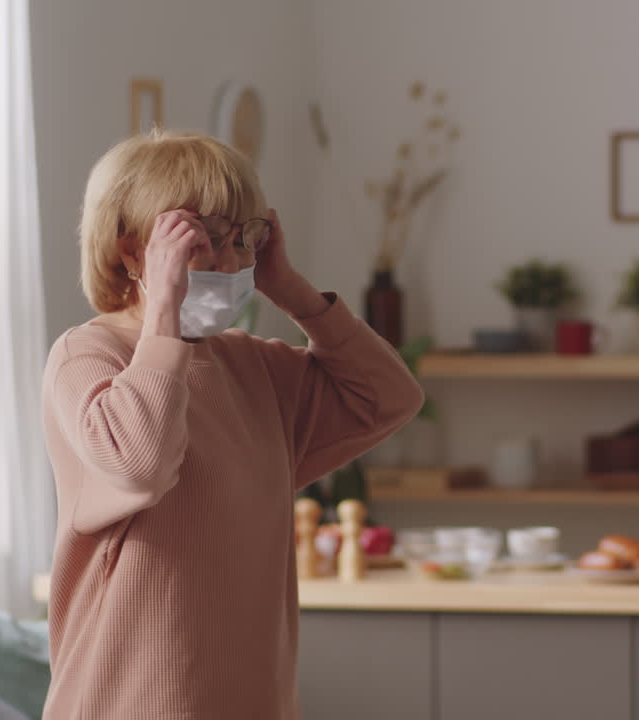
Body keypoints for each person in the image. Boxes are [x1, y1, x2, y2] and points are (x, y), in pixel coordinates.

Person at [41, 131, 423, 719]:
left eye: (245, 238)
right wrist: (164, 314)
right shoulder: (87, 356)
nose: (230, 262)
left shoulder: (251, 365)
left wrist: (291, 290)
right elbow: (140, 466)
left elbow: (390, 397)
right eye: (200, 239)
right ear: (132, 248)